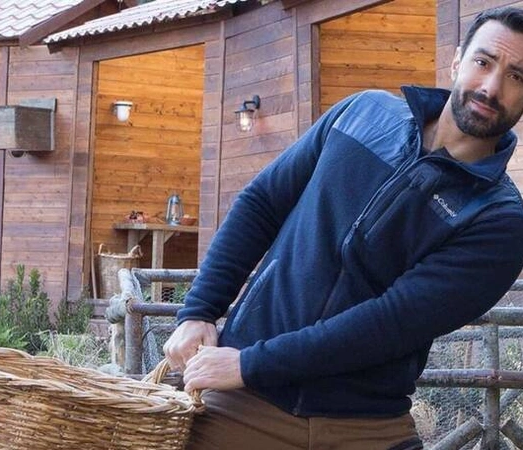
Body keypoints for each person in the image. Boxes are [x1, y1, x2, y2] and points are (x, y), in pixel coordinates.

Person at [164, 6, 523, 450]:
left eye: (516, 76)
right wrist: (199, 309)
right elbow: (262, 203)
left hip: (363, 426)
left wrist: (249, 364)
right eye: (484, 62)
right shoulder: (361, 115)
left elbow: (390, 322)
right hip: (243, 403)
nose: (491, 87)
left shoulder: (499, 220)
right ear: (456, 61)